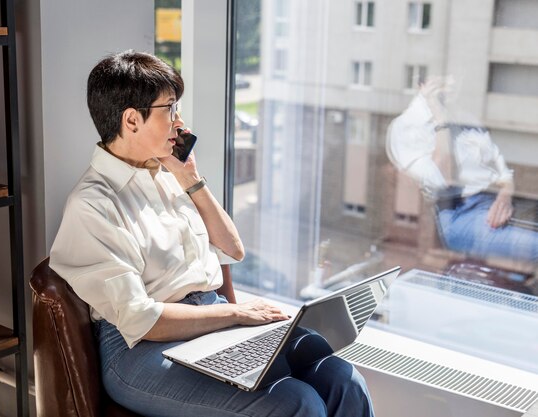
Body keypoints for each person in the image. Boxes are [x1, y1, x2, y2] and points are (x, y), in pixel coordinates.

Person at [50, 50, 374, 417]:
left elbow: (232, 249)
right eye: (169, 109)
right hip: (139, 350)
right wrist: (237, 315)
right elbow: (142, 320)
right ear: (132, 120)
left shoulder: (168, 174)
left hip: (209, 321)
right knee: (297, 404)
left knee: (344, 381)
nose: (179, 121)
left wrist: (190, 180)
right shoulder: (93, 204)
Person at [387, 76, 538, 263]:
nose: (451, 84)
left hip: (494, 202)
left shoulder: (465, 117)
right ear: (423, 84)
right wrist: (439, 118)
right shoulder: (407, 127)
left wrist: (506, 192)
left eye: (454, 78)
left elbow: (498, 163)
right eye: (443, 77)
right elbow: (443, 178)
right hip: (461, 215)